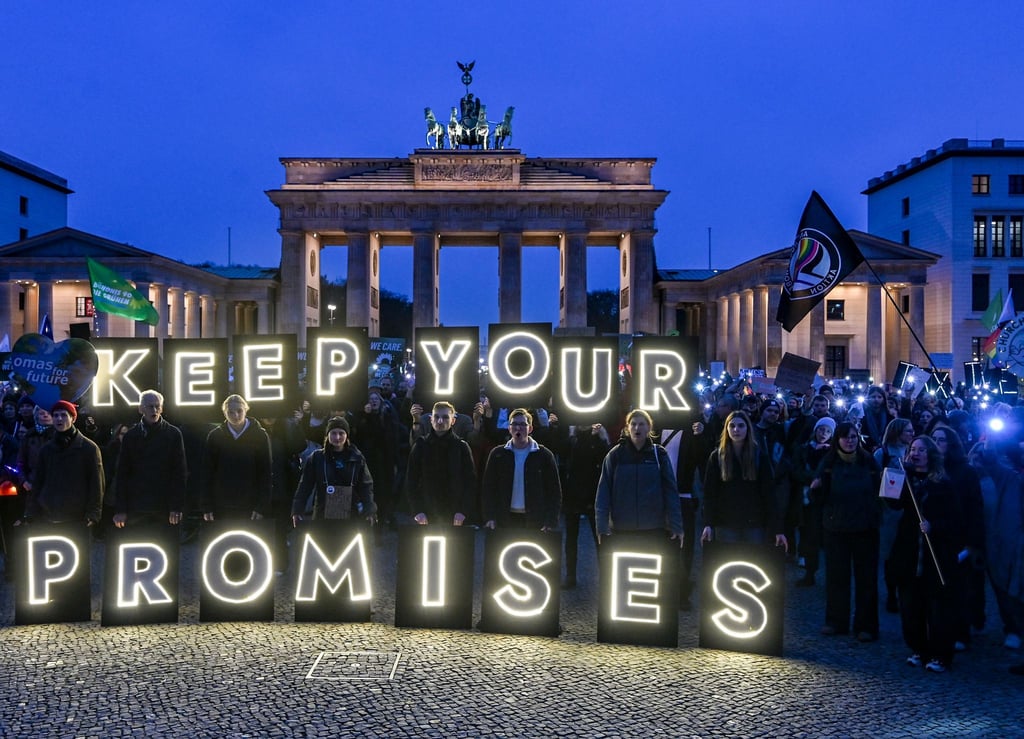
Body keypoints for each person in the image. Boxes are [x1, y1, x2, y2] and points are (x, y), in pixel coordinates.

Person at [890, 435, 963, 673]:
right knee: (911, 605)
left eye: (921, 449)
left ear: (930, 454)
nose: (916, 453)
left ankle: (941, 654)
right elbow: (893, 503)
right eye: (913, 449)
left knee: (938, 607)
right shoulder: (908, 478)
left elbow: (955, 519)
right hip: (910, 551)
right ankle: (918, 648)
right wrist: (894, 479)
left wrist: (935, 526)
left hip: (936, 554)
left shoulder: (943, 483)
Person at [808, 421, 883, 641]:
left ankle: (866, 625)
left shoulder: (868, 461)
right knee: (836, 577)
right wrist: (815, 490)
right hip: (837, 527)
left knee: (866, 579)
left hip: (865, 528)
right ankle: (836, 621)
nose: (849, 440)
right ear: (837, 439)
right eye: (845, 437)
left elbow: (879, 490)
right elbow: (818, 496)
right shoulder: (829, 462)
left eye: (853, 437)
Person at [595, 410, 684, 548]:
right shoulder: (615, 455)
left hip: (653, 528)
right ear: (627, 427)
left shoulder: (659, 454)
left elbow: (670, 491)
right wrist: (601, 526)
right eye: (634, 424)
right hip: (622, 528)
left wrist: (676, 525)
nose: (637, 428)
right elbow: (603, 492)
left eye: (642, 424)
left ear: (649, 427)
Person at [701, 411, 788, 551]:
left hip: (754, 522)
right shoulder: (717, 457)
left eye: (741, 426)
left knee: (752, 564)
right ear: (727, 428)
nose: (736, 430)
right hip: (725, 522)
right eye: (732, 426)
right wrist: (708, 523)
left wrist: (778, 529)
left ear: (748, 428)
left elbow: (769, 493)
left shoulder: (759, 456)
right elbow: (709, 493)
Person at [20, 400, 104, 526]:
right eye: (55, 415)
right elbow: (38, 482)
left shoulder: (89, 448)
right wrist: (30, 512)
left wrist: (93, 514)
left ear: (73, 418)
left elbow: (96, 484)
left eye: (64, 415)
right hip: (48, 513)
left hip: (78, 516)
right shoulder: (46, 449)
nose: (59, 418)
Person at [112, 390, 188, 529]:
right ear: (140, 409)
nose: (154, 410)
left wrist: (176, 507)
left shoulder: (173, 434)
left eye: (157, 406)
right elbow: (122, 473)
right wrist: (121, 509)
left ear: (162, 408)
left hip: (163, 505)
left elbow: (180, 472)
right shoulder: (131, 436)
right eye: (149, 406)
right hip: (137, 505)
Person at [481, 408, 561, 532]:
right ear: (509, 428)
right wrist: (489, 517)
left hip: (535, 520)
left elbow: (554, 492)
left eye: (523, 424)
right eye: (514, 424)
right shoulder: (498, 454)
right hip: (504, 519)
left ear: (530, 429)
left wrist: (551, 521)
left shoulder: (544, 455)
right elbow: (488, 489)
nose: (518, 428)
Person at [291, 416, 376, 525]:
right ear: (328, 435)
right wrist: (297, 510)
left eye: (341, 433)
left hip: (349, 514)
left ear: (347, 436)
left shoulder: (356, 457)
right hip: (323, 513)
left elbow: (366, 486)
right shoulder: (316, 457)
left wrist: (370, 511)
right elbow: (305, 485)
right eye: (333, 433)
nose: (337, 437)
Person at [200, 394, 272, 522]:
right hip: (221, 505)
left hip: (250, 504)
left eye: (239, 411)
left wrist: (261, 506)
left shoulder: (260, 436)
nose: (236, 415)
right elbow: (206, 473)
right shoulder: (215, 436)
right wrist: (207, 507)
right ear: (224, 413)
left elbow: (265, 472)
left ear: (246, 410)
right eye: (231, 412)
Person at [404, 401, 477, 526]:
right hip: (425, 513)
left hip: (455, 514)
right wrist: (417, 510)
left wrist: (463, 511)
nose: (440, 421)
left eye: (445, 417)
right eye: (436, 417)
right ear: (431, 419)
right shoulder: (421, 445)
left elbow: (470, 482)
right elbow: (411, 480)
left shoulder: (462, 447)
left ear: (453, 421)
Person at [874, 418, 915, 613]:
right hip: (889, 510)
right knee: (890, 553)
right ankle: (892, 592)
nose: (912, 434)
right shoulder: (882, 454)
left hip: (910, 509)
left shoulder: (913, 452)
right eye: (908, 431)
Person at [563, 422, 610, 589]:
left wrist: (602, 438)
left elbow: (605, 459)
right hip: (573, 490)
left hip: (592, 491)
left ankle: (606, 576)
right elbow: (562, 455)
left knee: (599, 536)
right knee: (571, 537)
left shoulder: (596, 434)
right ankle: (570, 575)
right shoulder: (571, 435)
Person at [790, 416, 835, 586]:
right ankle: (810, 571)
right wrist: (811, 479)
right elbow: (795, 470)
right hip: (805, 496)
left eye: (828, 431)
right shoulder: (803, 449)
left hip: (824, 500)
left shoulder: (832, 453)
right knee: (808, 534)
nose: (823, 433)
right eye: (821, 429)